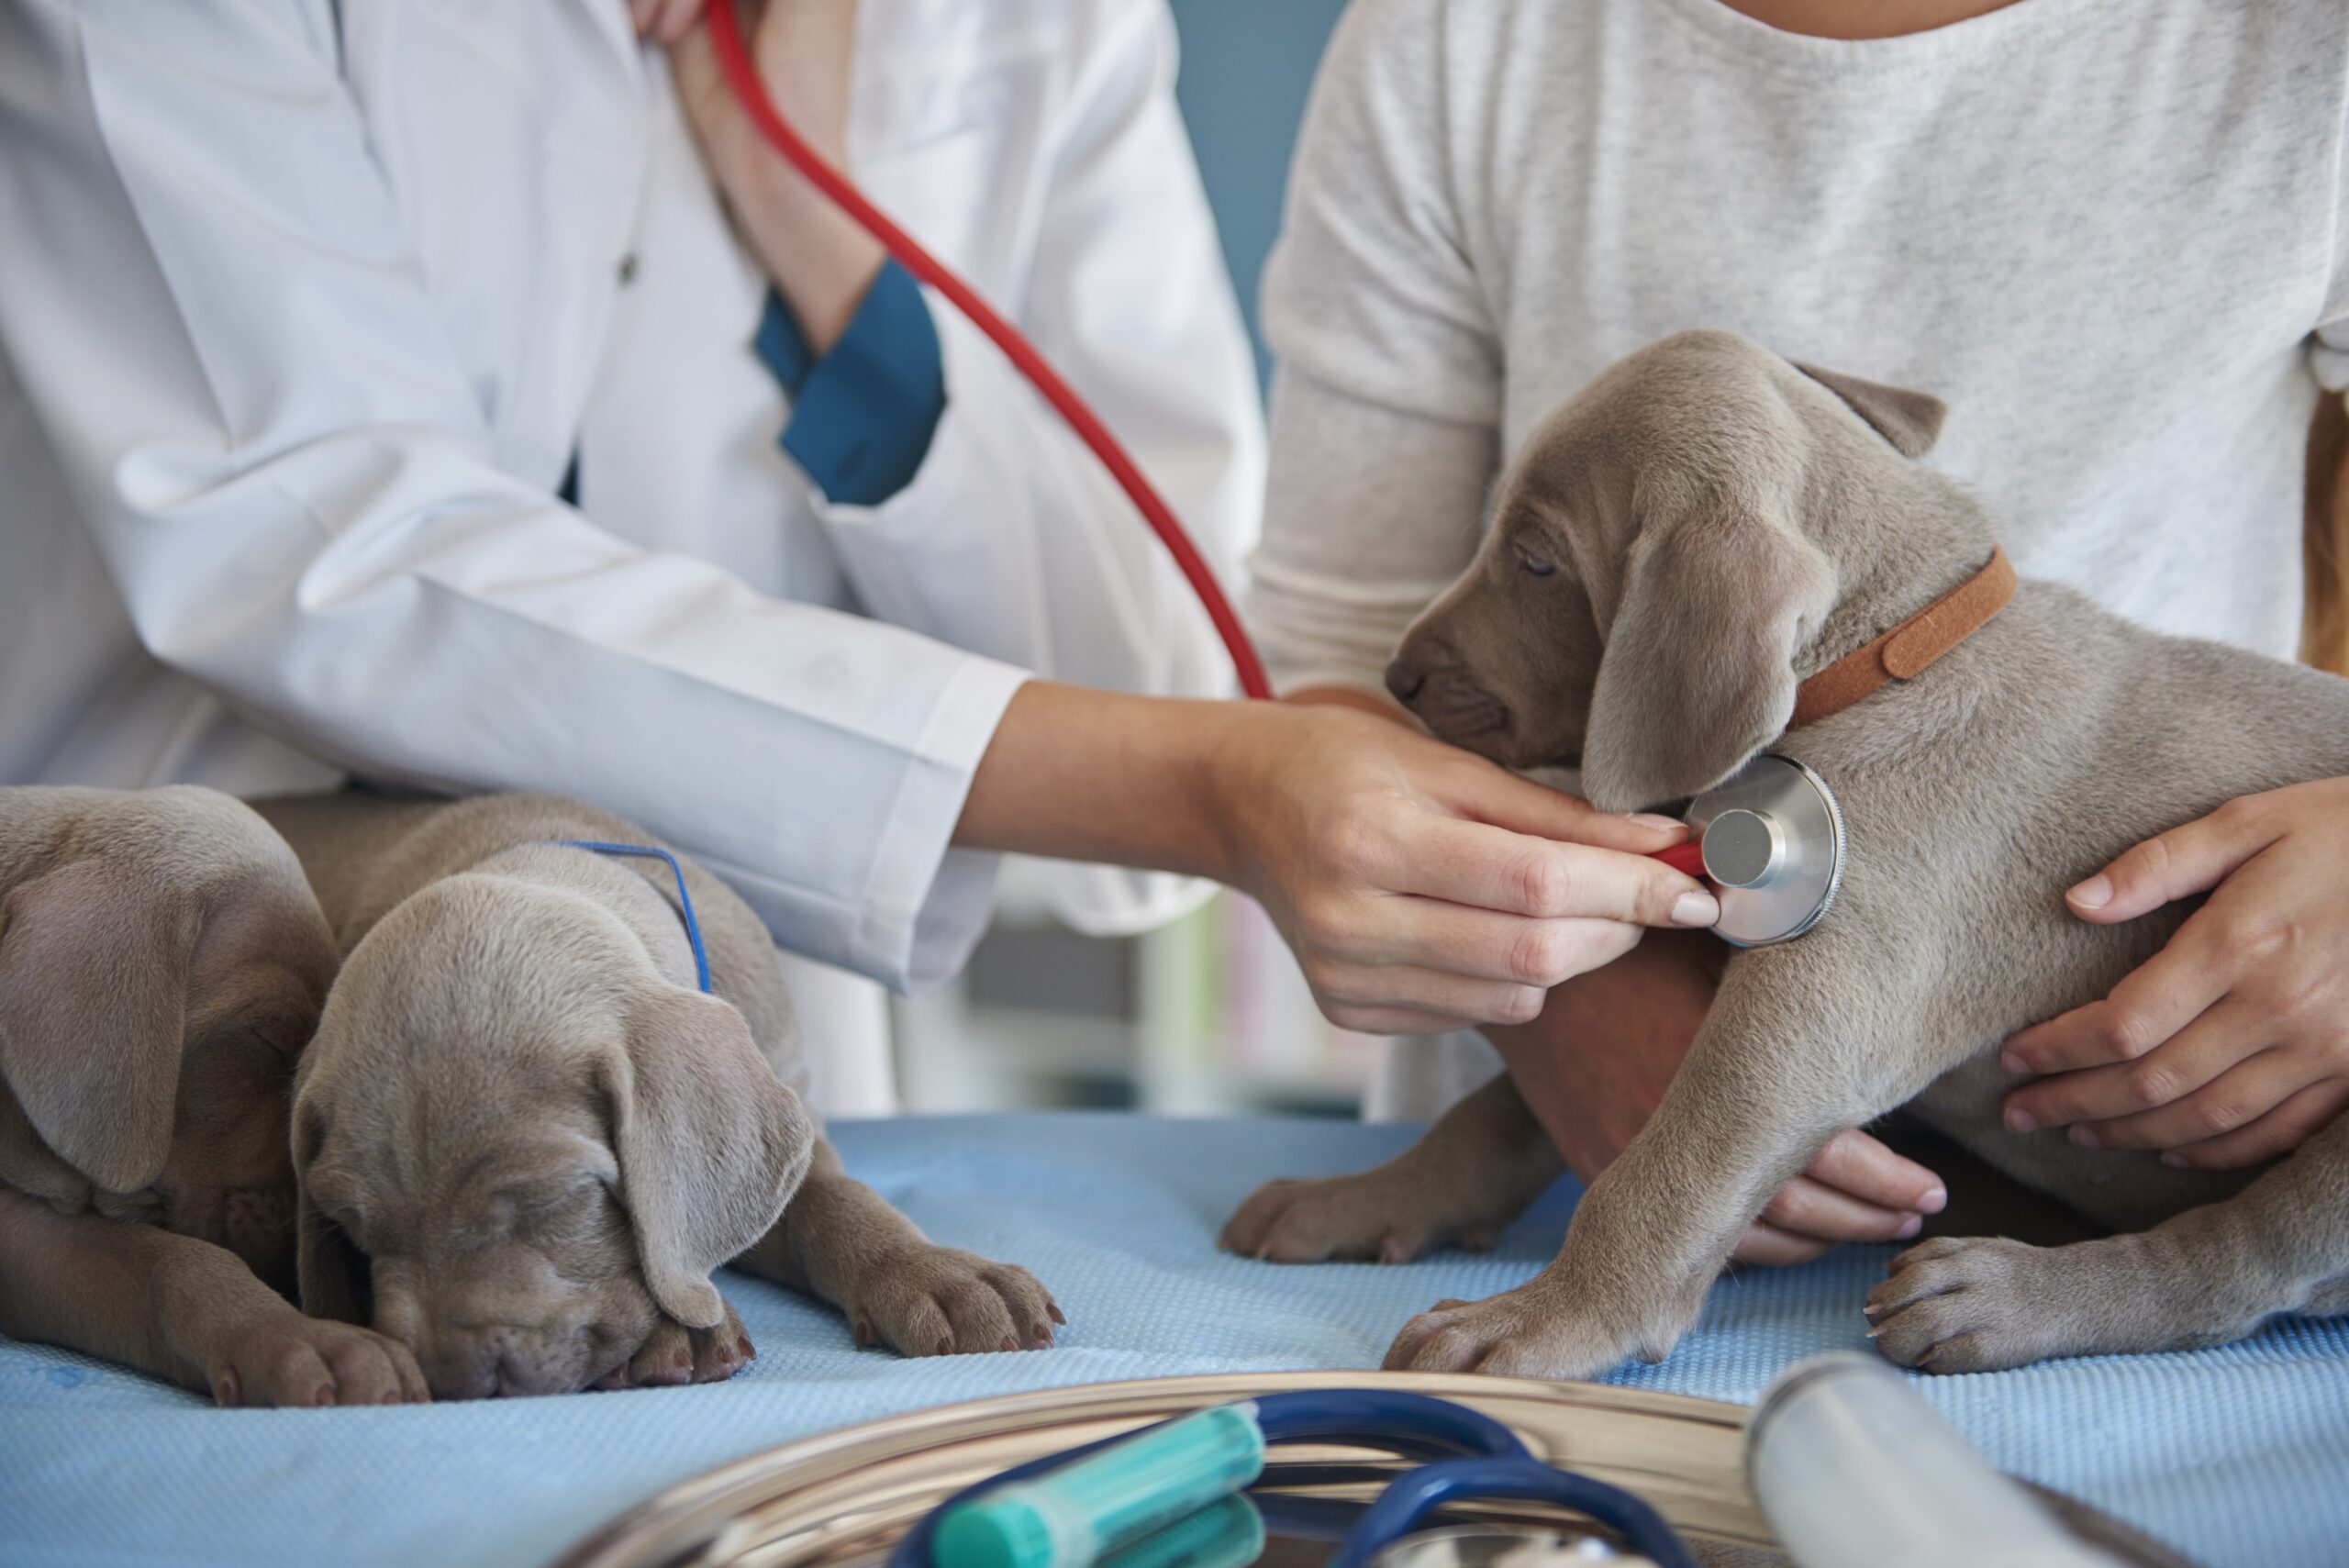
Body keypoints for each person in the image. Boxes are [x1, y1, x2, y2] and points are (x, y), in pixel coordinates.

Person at [0, 0, 1720, 1114]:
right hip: (187, 1036)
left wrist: (830, 262)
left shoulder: (1025, 32)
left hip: (724, 1115)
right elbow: (327, 542)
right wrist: (1198, 780)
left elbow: (1161, 726)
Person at [1248, 0, 2349, 1261]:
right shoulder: (1462, 33)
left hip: (2192, 1209)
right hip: (1588, 1091)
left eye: (1538, 558)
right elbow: (1347, 661)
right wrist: (1578, 996)